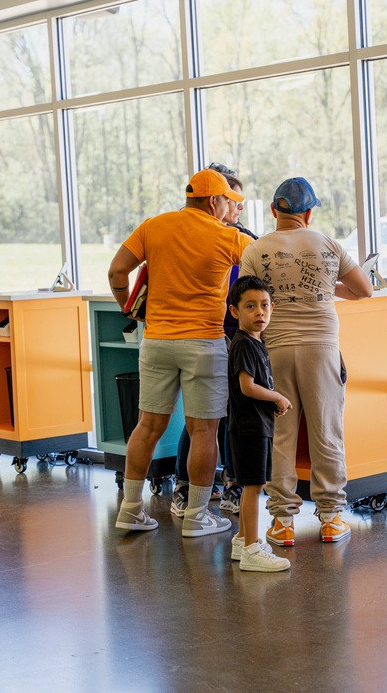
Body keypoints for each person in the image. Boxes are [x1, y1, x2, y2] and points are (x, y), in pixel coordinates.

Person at [108, 168, 253, 535]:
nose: (230, 209)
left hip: (156, 341)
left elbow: (117, 272)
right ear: (214, 201)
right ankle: (197, 515)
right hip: (203, 343)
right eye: (228, 202)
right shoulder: (229, 237)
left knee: (147, 426)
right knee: (204, 430)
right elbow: (262, 272)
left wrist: (129, 309)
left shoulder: (153, 226)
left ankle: (130, 508)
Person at [239, 177, 373, 545]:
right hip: (322, 348)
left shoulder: (255, 250)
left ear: (273, 210)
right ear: (309, 213)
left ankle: (282, 522)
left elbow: (247, 301)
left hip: (275, 349)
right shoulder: (328, 244)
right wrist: (325, 288)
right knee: (326, 432)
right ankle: (330, 518)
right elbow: (363, 289)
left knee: (281, 435)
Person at [171, 164, 258, 519]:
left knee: (232, 414)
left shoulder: (244, 238)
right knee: (203, 419)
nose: (237, 207)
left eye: (239, 201)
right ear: (215, 202)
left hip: (237, 336)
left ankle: (231, 484)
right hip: (206, 335)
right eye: (231, 201)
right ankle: (185, 486)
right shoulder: (192, 236)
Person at [227, 275, 292, 572]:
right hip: (249, 428)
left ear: (272, 308)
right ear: (235, 311)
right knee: (253, 487)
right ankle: (252, 549)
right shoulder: (244, 345)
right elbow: (247, 386)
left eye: (264, 305)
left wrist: (270, 404)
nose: (260, 312)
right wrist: (277, 397)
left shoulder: (255, 342)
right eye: (250, 306)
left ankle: (243, 540)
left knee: (251, 486)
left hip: (255, 425)